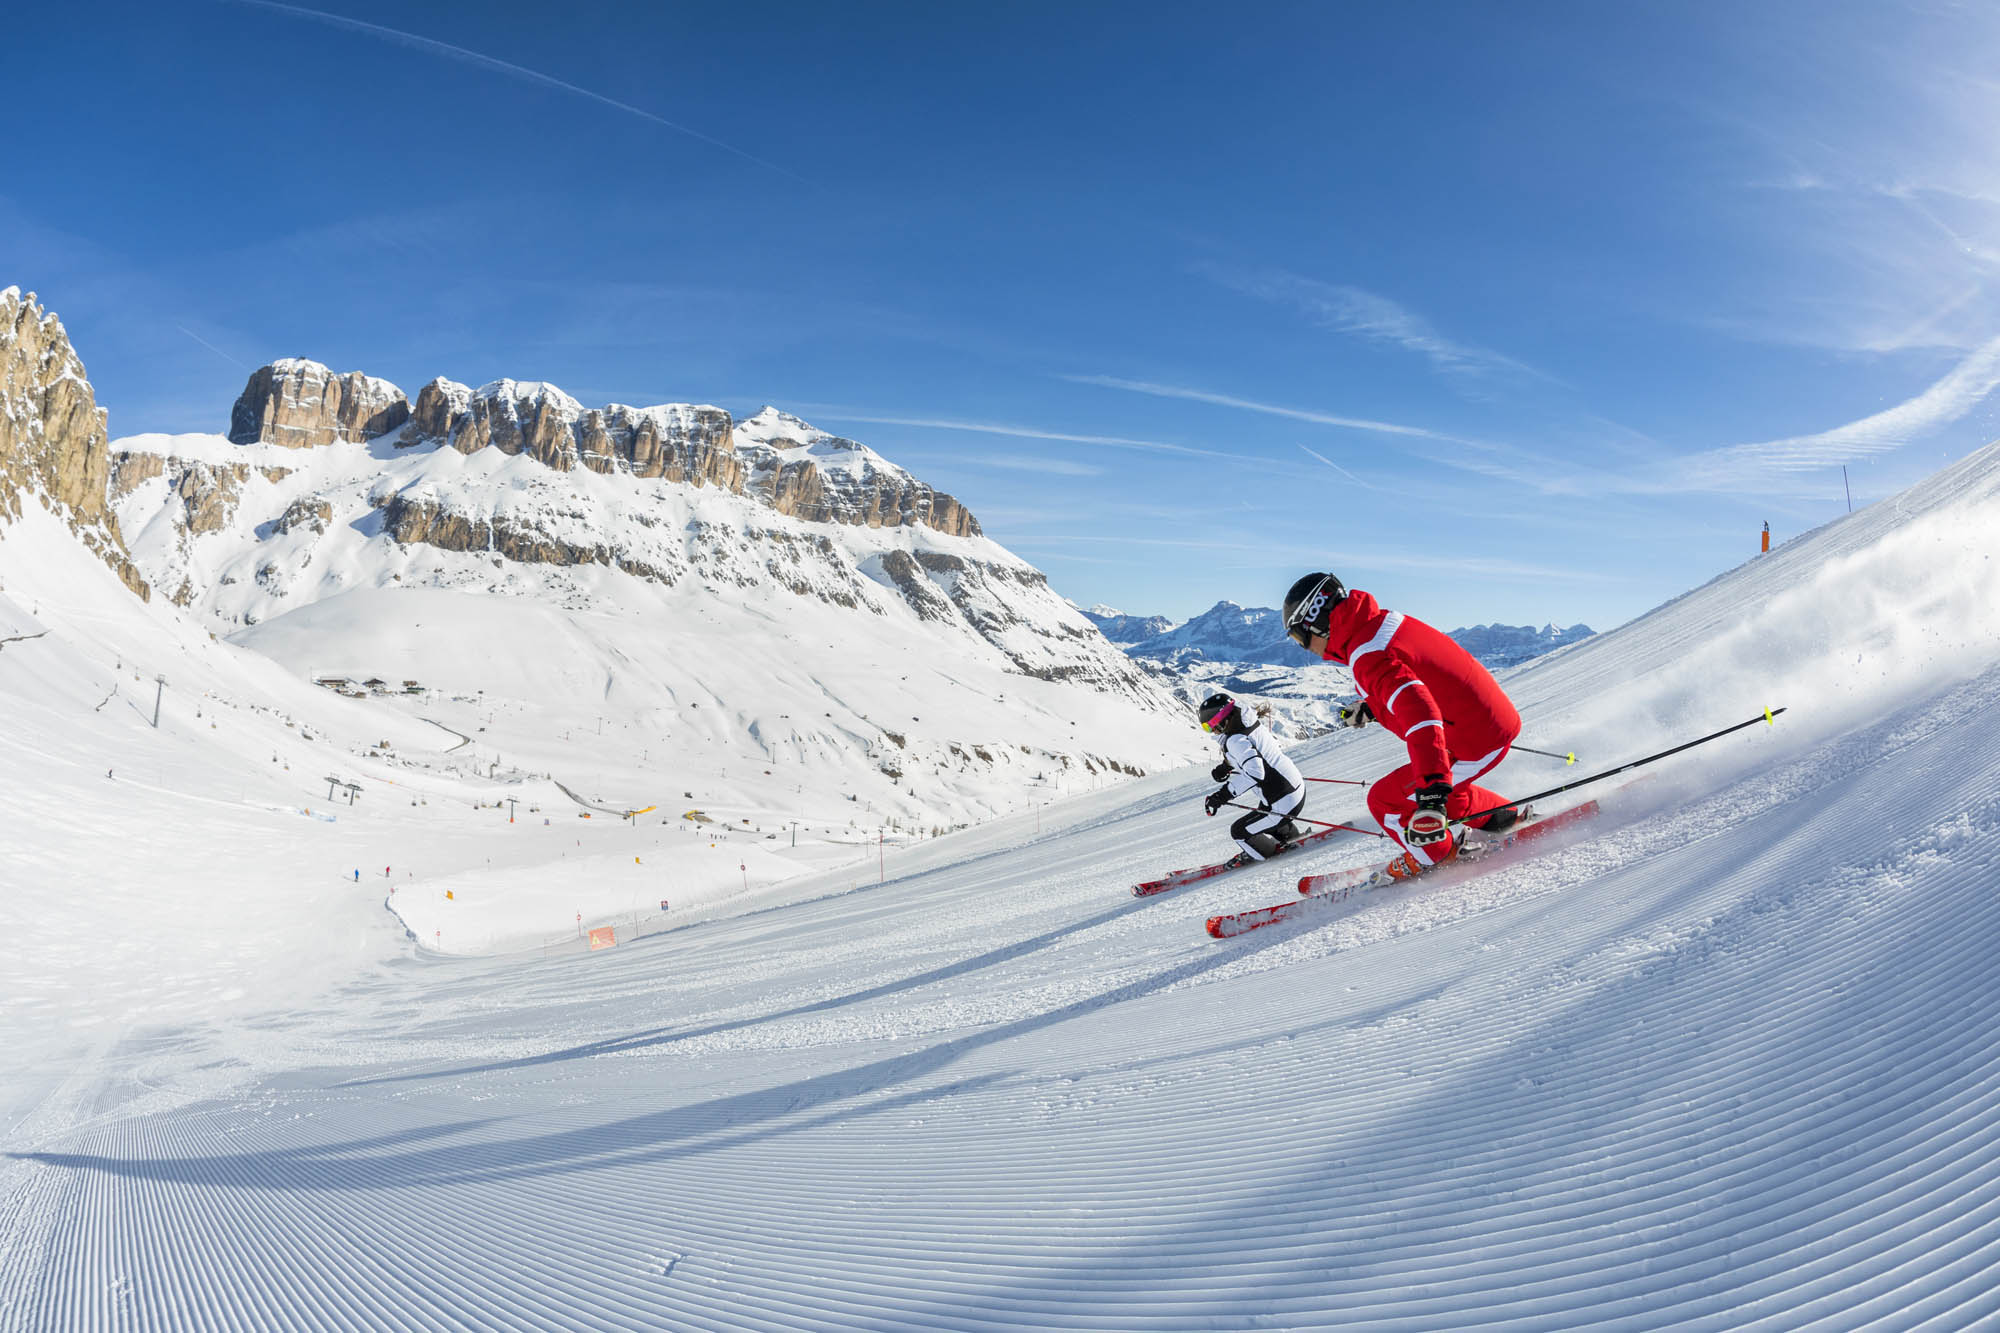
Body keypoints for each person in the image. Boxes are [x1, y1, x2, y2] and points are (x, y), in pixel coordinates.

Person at [1281, 572, 1523, 876]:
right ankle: (1507, 818)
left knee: (1387, 800)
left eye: (1298, 637)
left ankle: (1437, 858)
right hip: (1485, 721)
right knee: (1454, 797)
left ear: (1315, 620)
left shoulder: (1368, 655)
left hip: (1473, 739)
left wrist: (1432, 791)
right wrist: (1374, 707)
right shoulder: (1380, 625)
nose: (1304, 647)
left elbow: (1422, 714)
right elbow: (1418, 680)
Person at [1197, 692, 1306, 865]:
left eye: (1209, 726)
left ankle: (1265, 855)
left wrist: (1222, 795)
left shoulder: (1236, 739)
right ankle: (1292, 837)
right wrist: (1226, 767)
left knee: (1239, 831)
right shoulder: (1248, 724)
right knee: (1265, 816)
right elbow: (1254, 753)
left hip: (1283, 799)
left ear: (1223, 719)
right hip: (1292, 788)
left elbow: (1255, 772)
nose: (1211, 731)